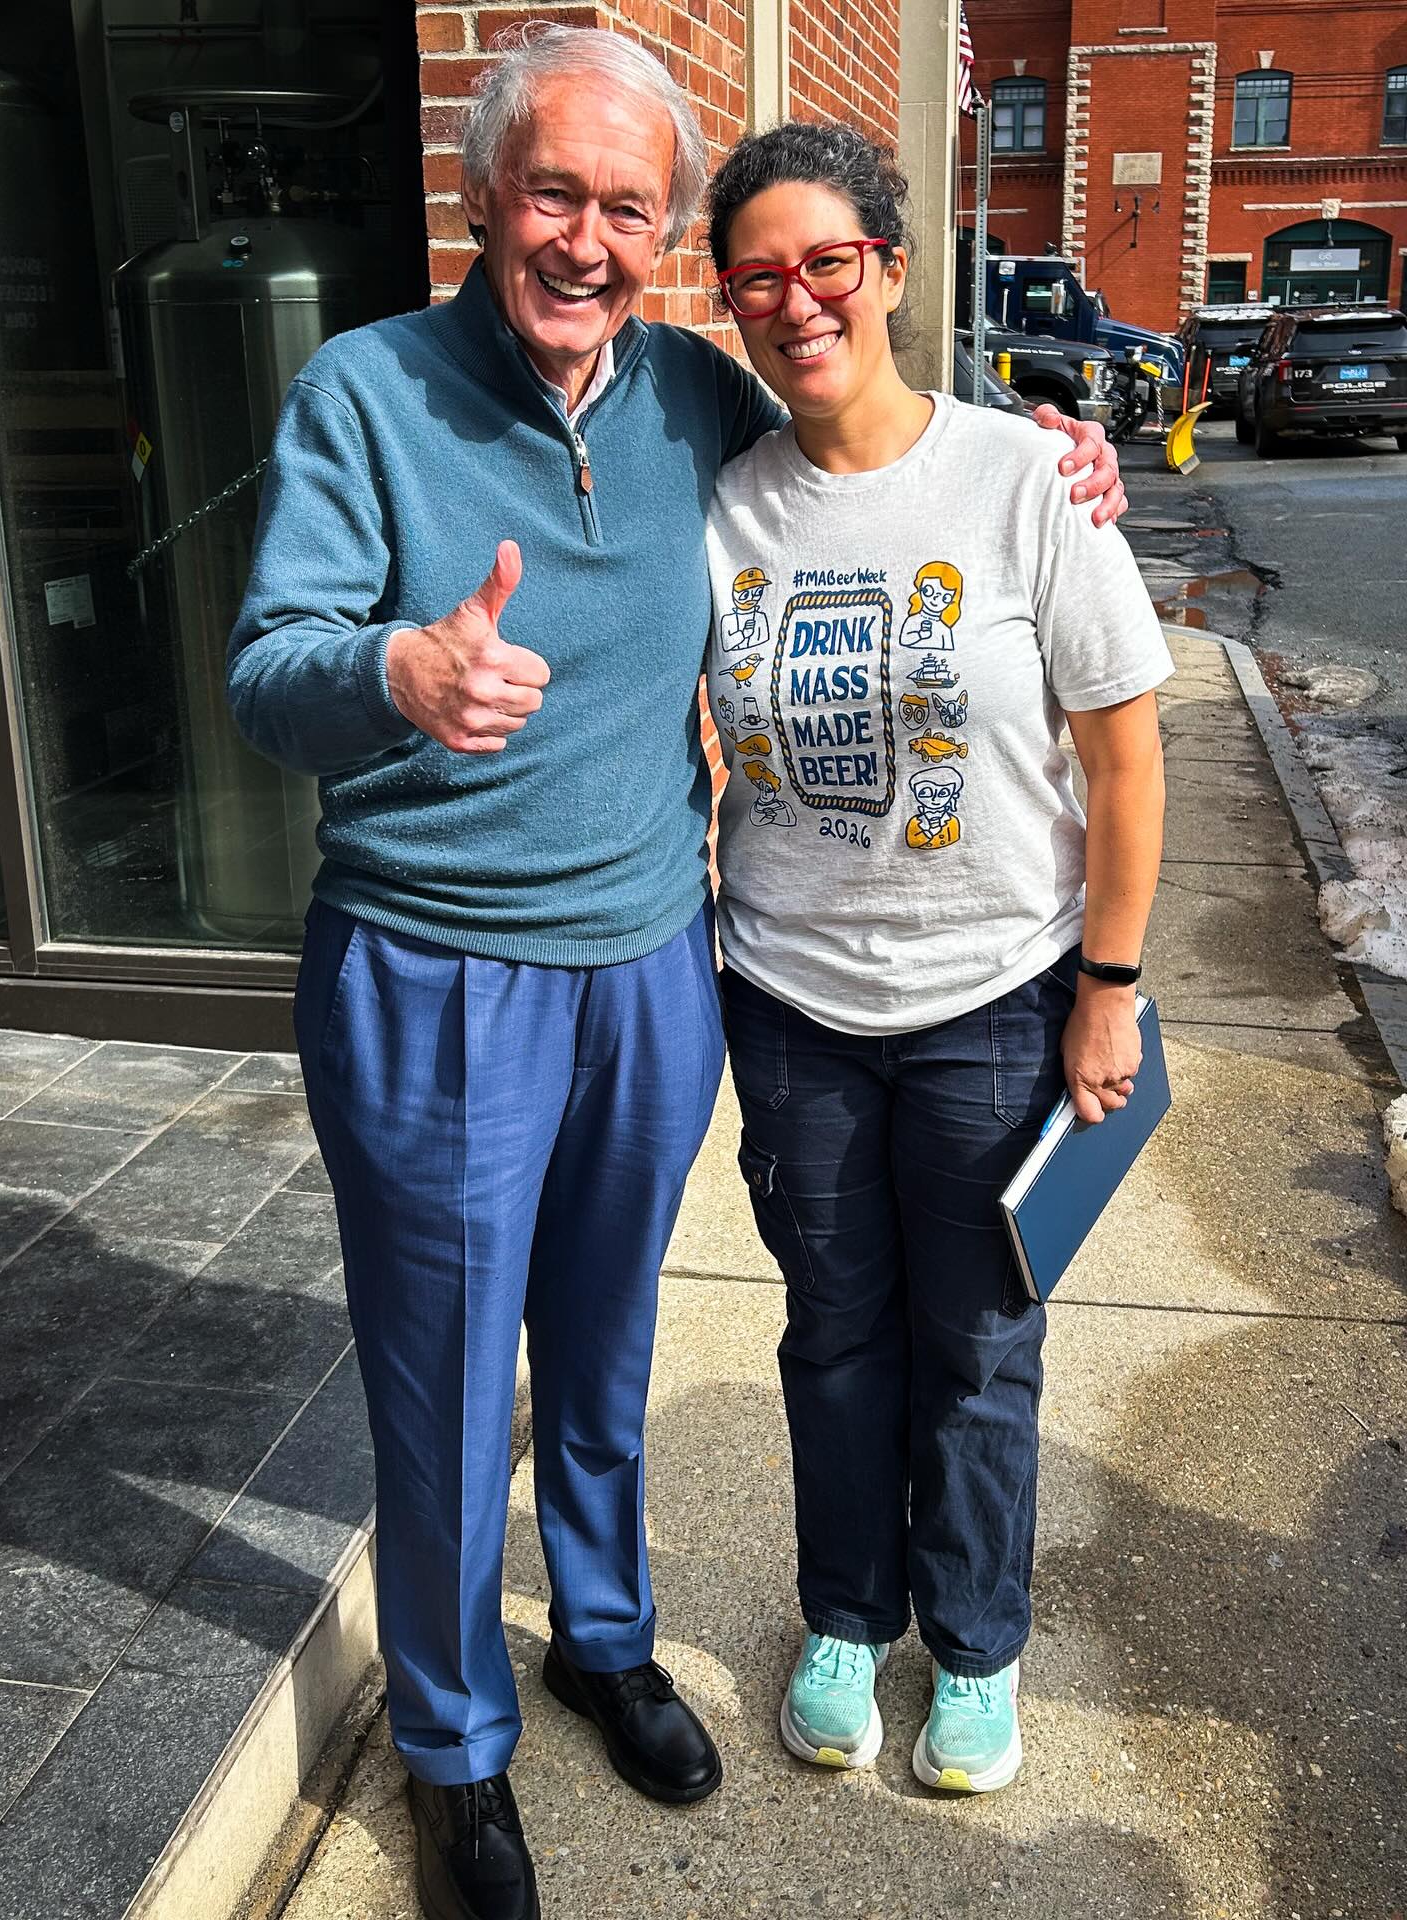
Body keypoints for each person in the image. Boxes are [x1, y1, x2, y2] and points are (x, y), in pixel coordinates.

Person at [226, 28, 1126, 1920]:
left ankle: (605, 1638)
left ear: (661, 238)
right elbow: (264, 669)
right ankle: (455, 1749)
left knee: (611, 1346)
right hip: (439, 966)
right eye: (554, 191)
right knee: (455, 1384)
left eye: (630, 206)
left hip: (651, 963)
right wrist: (391, 672)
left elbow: (862, 445)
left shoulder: (691, 395)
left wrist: (1054, 457)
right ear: (482, 194)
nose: (589, 237)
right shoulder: (363, 392)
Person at [703, 120, 1171, 1796]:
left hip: (996, 1000)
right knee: (833, 1332)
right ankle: (849, 1616)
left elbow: (1125, 754)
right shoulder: (725, 503)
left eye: (826, 262)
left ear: (891, 268)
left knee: (974, 1347)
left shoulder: (1029, 478)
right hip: (792, 1005)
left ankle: (976, 1648)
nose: (795, 301)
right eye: (756, 276)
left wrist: (1106, 990)